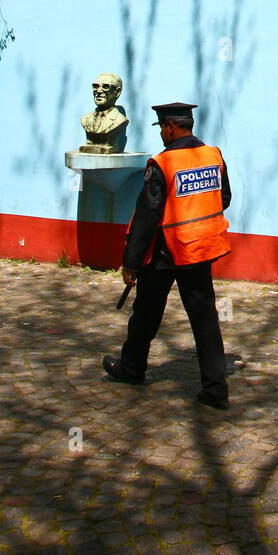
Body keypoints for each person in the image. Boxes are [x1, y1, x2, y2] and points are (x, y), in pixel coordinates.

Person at [102, 102, 232, 408]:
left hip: (164, 254)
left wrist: (131, 262)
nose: (161, 133)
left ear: (171, 127)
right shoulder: (213, 155)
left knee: (146, 315)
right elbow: (223, 198)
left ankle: (132, 369)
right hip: (199, 249)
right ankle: (215, 390)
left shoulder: (163, 163)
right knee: (205, 320)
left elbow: (147, 215)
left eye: (162, 127)